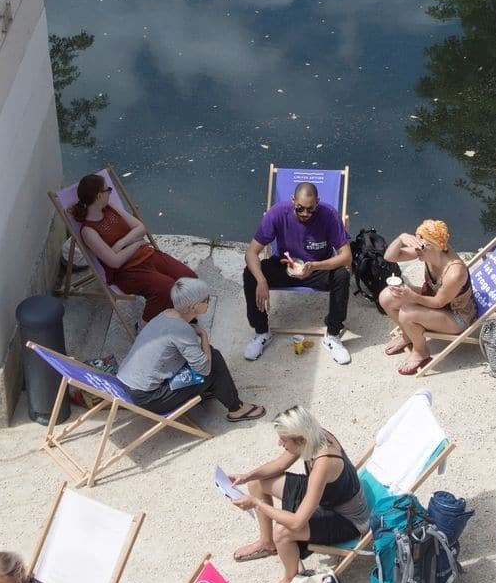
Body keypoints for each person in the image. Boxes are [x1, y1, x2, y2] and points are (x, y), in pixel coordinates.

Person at [229, 404, 369, 583]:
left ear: (301, 439)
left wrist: (257, 503)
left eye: (283, 440)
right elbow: (279, 465)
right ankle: (266, 542)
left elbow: (296, 522)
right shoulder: (312, 435)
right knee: (257, 483)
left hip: (346, 519)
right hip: (326, 495)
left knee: (283, 531)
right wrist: (246, 476)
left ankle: (290, 579)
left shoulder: (323, 463)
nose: (280, 443)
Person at [118, 276, 263, 423]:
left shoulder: (165, 315)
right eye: (205, 299)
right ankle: (237, 408)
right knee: (213, 358)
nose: (208, 301)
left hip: (128, 384)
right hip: (151, 398)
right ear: (192, 306)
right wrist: (203, 335)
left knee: (204, 355)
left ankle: (212, 388)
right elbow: (204, 369)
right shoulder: (181, 329)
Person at [244, 180, 352, 365]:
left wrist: (316, 266)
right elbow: (251, 252)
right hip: (286, 266)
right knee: (250, 273)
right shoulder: (278, 213)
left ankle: (332, 336)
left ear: (317, 202)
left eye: (310, 209)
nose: (305, 214)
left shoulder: (329, 215)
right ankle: (262, 332)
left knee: (342, 275)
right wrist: (261, 280)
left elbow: (347, 257)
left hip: (316, 267)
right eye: (300, 208)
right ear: (293, 200)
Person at [70, 171, 198, 321]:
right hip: (127, 271)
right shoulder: (88, 231)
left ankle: (180, 312)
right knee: (167, 288)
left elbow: (141, 228)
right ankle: (146, 325)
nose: (110, 193)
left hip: (146, 254)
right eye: (108, 190)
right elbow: (115, 261)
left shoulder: (110, 208)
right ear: (99, 196)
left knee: (190, 278)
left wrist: (121, 243)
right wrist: (136, 242)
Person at [378, 219, 476, 374]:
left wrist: (412, 296)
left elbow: (438, 302)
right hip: (431, 298)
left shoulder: (454, 273)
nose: (416, 247)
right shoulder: (428, 251)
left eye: (420, 243)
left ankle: (421, 351)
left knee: (407, 312)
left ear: (432, 246)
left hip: (456, 316)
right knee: (386, 297)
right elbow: (390, 257)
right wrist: (401, 238)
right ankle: (408, 335)